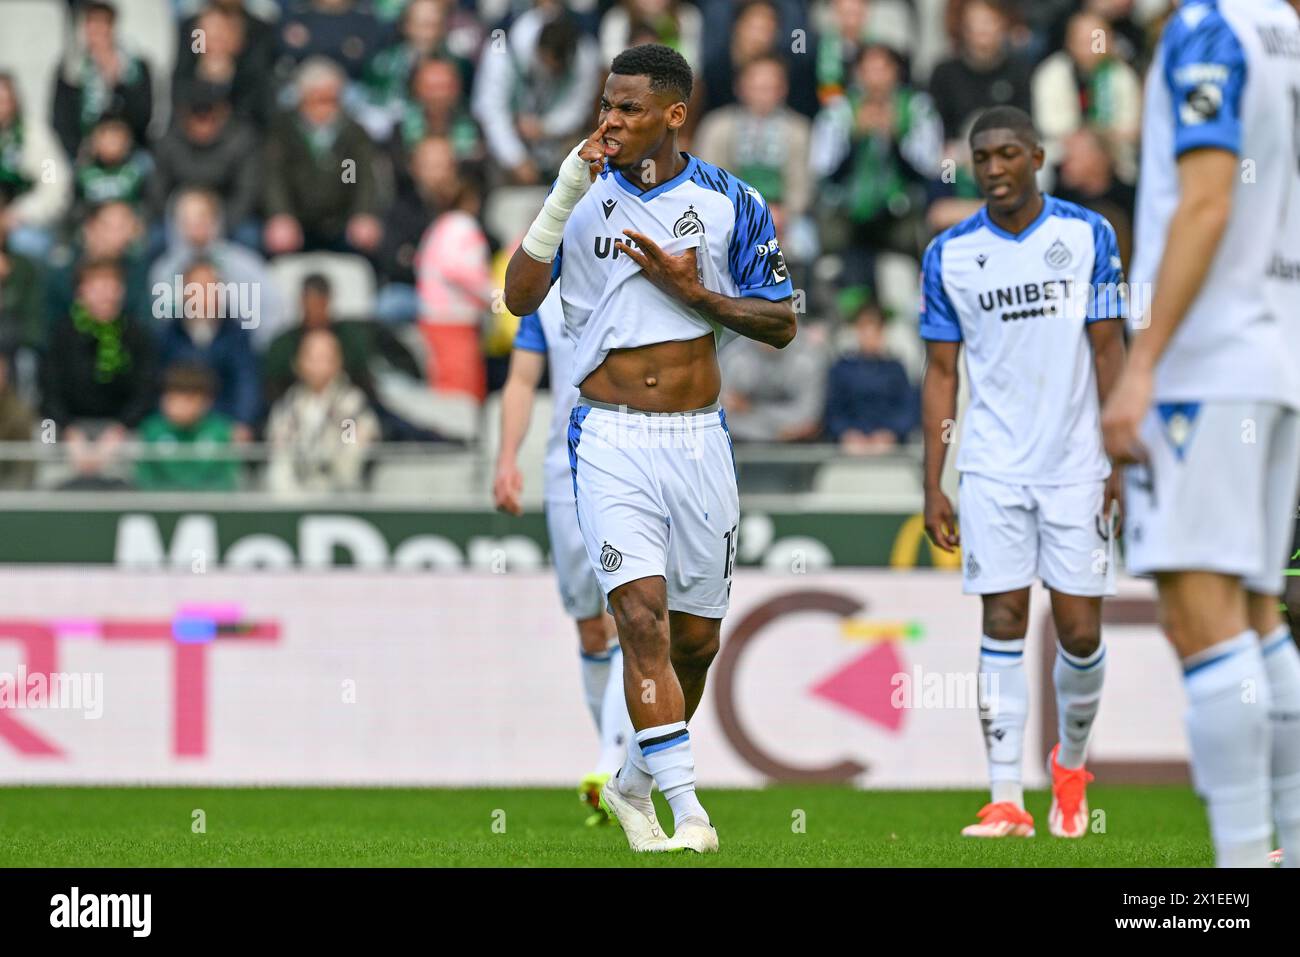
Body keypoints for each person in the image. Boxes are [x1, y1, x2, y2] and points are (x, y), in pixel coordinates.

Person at [503, 44, 796, 853]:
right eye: (606, 104)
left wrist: (695, 292)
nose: (610, 120)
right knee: (640, 617)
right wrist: (563, 193)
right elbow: (516, 295)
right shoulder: (583, 196)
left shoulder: (733, 201)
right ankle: (688, 811)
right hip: (608, 435)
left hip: (699, 439)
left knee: (696, 638)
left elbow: (782, 322)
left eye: (629, 108)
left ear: (675, 114)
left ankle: (633, 780)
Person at [1101, 0, 1300, 868]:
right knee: (1260, 618)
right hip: (1274, 349)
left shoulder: (1206, 28)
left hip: (1209, 364)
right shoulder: (1285, 30)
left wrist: (1142, 366)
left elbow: (1208, 202)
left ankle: (1243, 871)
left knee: (1202, 618)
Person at [920, 107, 1127, 840]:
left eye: (1010, 153)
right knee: (1002, 619)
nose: (996, 167)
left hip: (1077, 465)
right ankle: (1006, 795)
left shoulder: (1087, 235)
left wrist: (1120, 458)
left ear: (1038, 156)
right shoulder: (949, 252)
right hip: (993, 468)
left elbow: (1109, 351)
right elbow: (941, 372)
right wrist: (932, 479)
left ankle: (1069, 767)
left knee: (1078, 630)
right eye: (983, 157)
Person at [493, 287, 635, 826]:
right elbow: (523, 380)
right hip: (563, 471)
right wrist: (507, 458)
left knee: (628, 614)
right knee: (589, 627)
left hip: (628, 461)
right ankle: (613, 770)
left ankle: (608, 764)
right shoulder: (544, 297)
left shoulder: (631, 276)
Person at [261, 57, 383, 257]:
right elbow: (274, 178)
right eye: (319, 100)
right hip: (297, 220)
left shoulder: (352, 134)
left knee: (367, 237)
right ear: (303, 99)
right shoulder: (282, 131)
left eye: (332, 100)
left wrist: (363, 213)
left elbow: (360, 178)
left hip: (340, 222)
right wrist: (280, 214)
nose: (326, 109)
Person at [264, 327, 380, 495]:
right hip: (295, 491)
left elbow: (352, 448)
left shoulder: (352, 405)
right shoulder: (288, 406)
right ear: (299, 362)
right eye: (311, 357)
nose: (317, 364)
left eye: (324, 357)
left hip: (340, 492)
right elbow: (280, 450)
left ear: (338, 362)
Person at [52, 0, 153, 159]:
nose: (97, 32)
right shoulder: (70, 69)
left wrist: (117, 82)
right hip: (83, 152)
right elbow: (60, 119)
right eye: (91, 24)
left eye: (103, 24)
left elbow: (142, 117)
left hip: (128, 152)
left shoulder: (135, 67)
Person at [824, 301, 916, 452]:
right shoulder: (842, 369)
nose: (869, 334)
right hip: (848, 449)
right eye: (864, 328)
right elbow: (833, 410)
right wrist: (847, 434)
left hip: (891, 449)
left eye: (875, 328)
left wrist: (890, 434)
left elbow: (907, 409)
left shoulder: (896, 369)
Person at [135, 362, 241, 491]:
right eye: (172, 398)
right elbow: (144, 480)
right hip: (161, 506)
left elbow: (227, 481)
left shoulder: (220, 430)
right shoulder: (151, 429)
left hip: (210, 506)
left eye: (188, 399)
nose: (178, 406)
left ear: (207, 401)